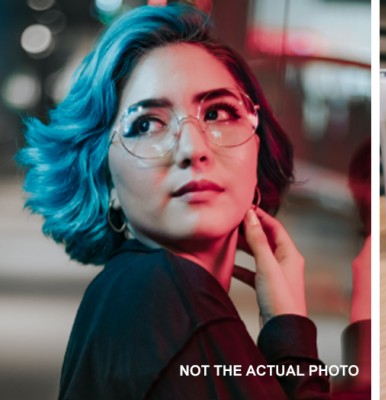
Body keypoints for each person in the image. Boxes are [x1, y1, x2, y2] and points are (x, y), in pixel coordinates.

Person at [17, 5, 367, 399]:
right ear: (106, 182)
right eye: (146, 123)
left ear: (258, 150)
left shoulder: (130, 294)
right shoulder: (163, 293)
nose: (193, 148)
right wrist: (303, 338)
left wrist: (285, 326)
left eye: (219, 113)